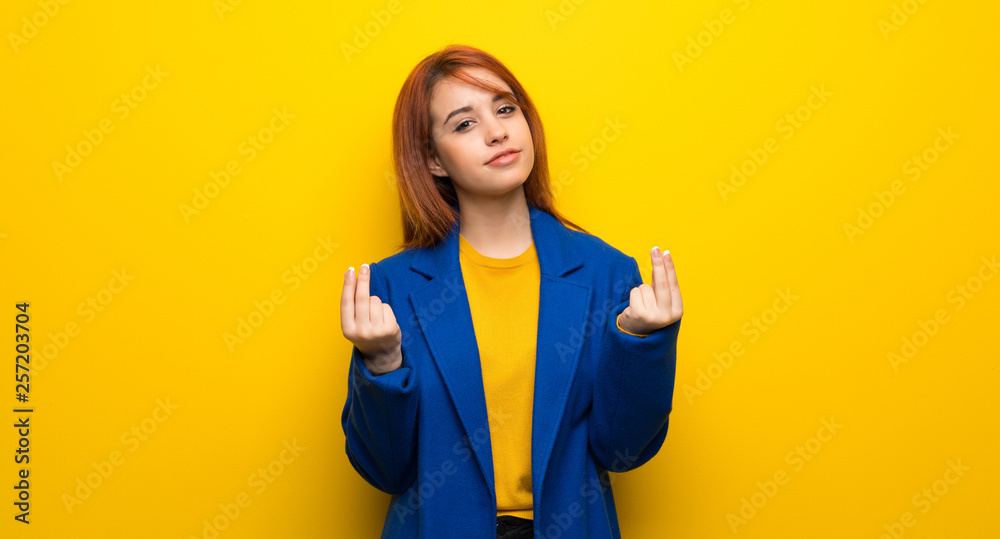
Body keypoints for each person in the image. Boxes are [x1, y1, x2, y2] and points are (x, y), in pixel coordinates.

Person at [340, 44, 683, 539]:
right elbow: (385, 470)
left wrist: (640, 344)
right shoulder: (390, 288)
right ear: (433, 160)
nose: (497, 131)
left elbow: (623, 453)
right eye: (464, 123)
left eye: (505, 109)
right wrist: (381, 363)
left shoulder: (607, 273)